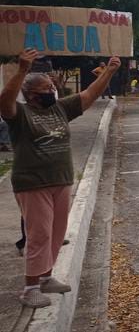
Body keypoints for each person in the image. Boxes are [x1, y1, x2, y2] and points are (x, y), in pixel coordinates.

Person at [0, 49, 119, 308]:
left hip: (61, 180)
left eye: (52, 87)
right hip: (33, 182)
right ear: (31, 95)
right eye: (46, 88)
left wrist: (109, 71)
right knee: (39, 234)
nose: (51, 91)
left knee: (56, 232)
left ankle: (46, 276)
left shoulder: (60, 109)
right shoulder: (20, 115)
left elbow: (89, 95)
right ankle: (30, 287)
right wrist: (21, 70)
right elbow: (5, 101)